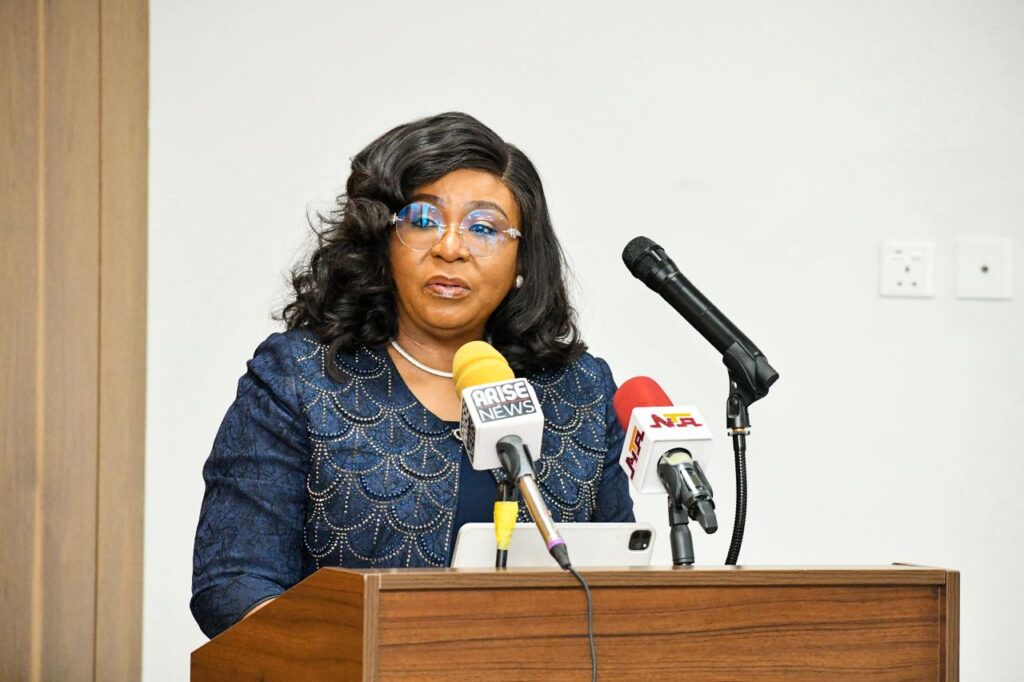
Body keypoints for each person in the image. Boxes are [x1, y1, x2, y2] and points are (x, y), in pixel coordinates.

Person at [190, 112, 635, 638]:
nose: (451, 247)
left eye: (484, 228)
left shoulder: (579, 391)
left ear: (522, 260)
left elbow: (622, 583)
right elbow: (234, 581)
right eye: (423, 220)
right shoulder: (302, 377)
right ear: (384, 240)